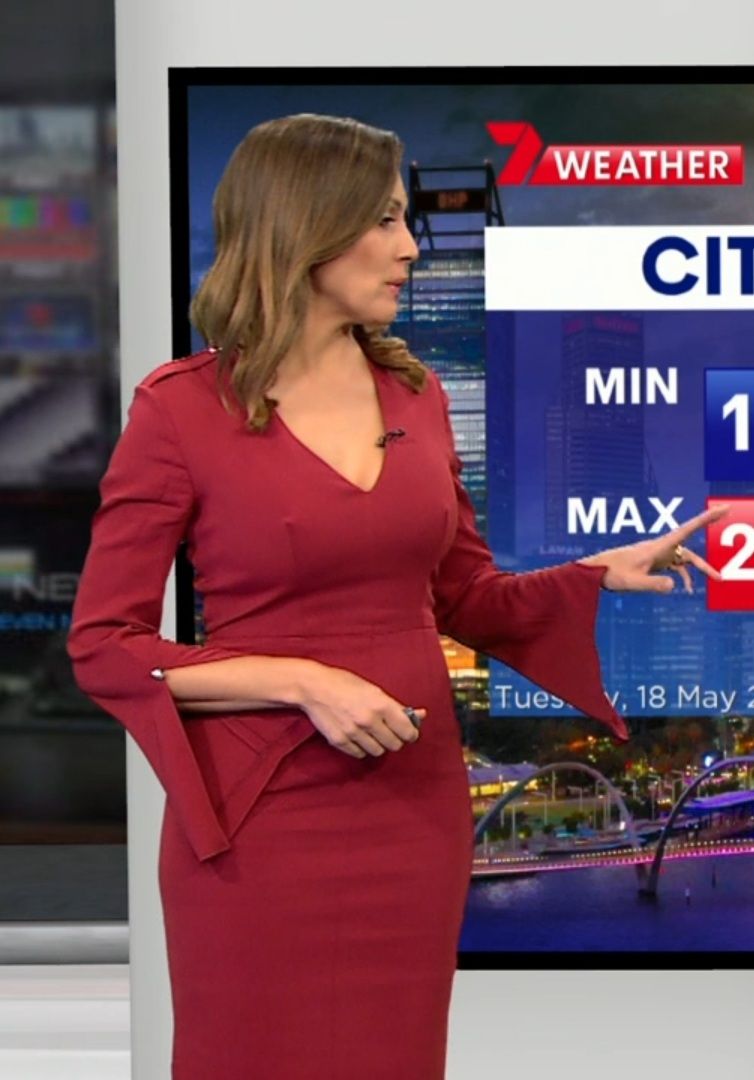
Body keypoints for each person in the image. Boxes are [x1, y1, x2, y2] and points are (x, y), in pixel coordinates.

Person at [65, 113, 729, 1079]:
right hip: (263, 816)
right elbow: (104, 645)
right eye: (384, 220)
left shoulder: (416, 397)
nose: (410, 246)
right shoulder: (181, 410)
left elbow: (465, 594)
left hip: (412, 809)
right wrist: (303, 681)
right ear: (308, 225)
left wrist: (594, 573)